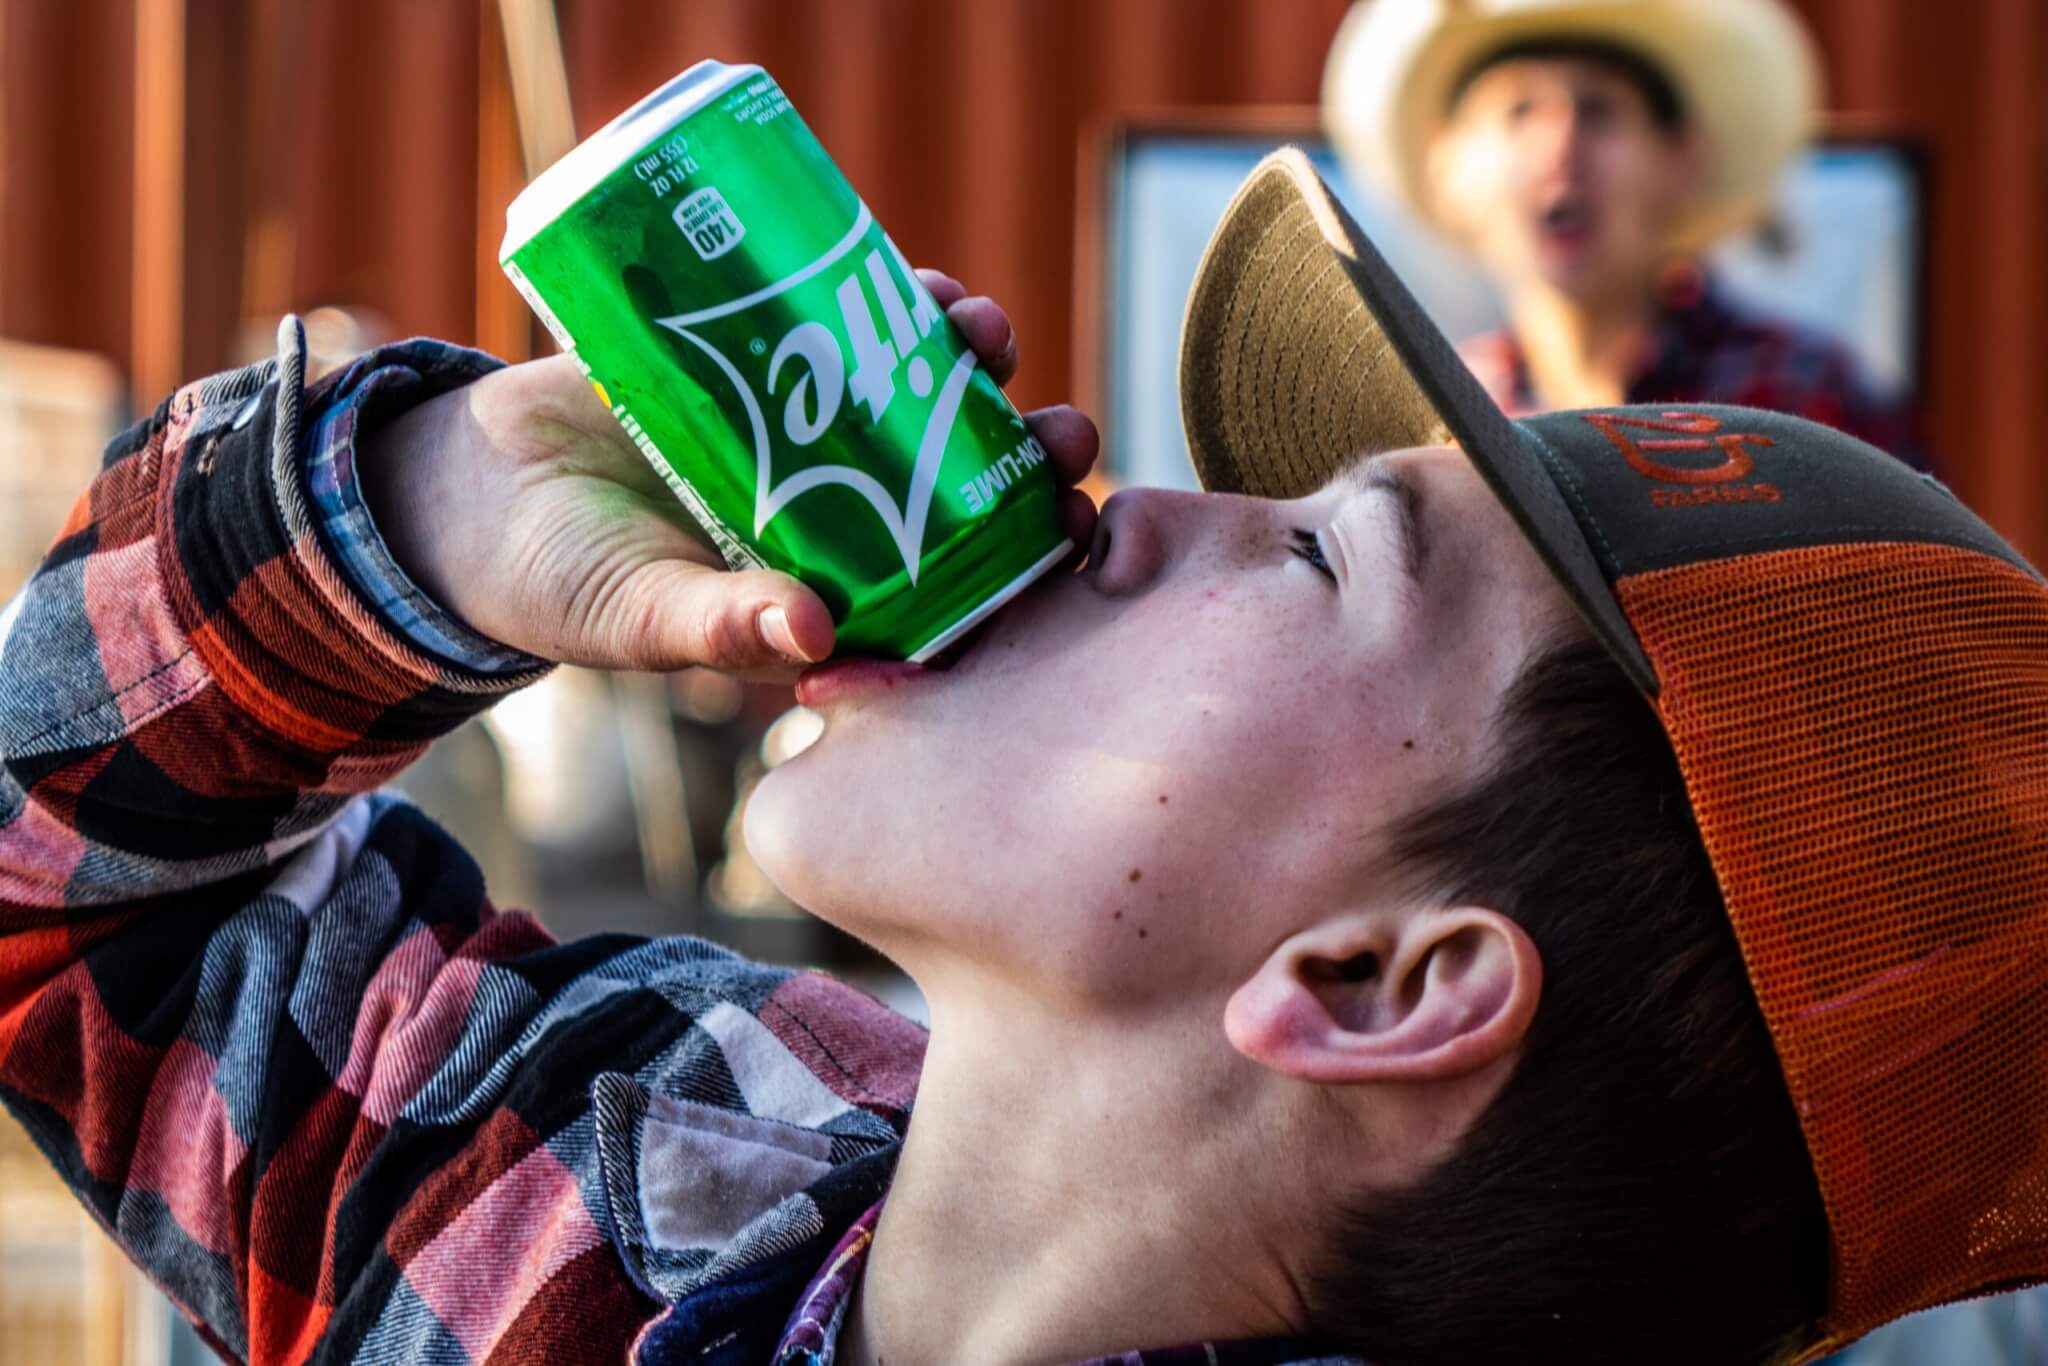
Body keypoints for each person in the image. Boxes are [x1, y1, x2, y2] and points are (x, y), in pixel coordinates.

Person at [2, 149, 2043, 1366]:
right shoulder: (621, 1154)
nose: (1125, 502)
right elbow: (60, 925)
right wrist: (417, 521)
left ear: (1382, 981)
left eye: (1324, 551)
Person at [1323, 0, 1926, 464]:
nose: (1560, 148)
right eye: (1519, 111)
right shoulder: (1431, 423)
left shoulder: (1807, 400)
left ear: (1682, 161)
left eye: (1600, 109)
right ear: (1448, 169)